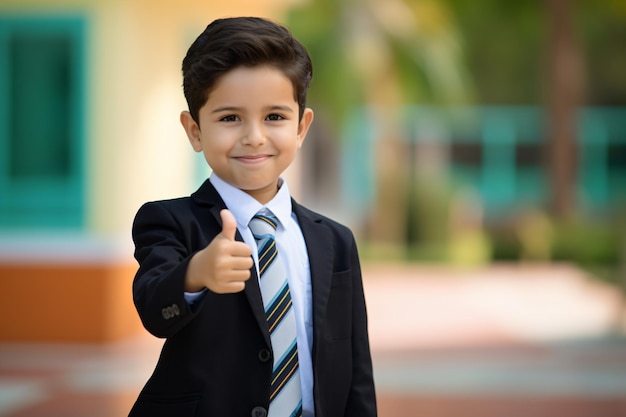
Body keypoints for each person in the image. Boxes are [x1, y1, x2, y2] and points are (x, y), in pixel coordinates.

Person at [129, 16, 377, 417]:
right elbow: (154, 310)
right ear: (194, 130)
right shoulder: (169, 221)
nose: (254, 136)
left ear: (301, 126)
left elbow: (355, 366)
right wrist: (196, 273)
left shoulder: (335, 241)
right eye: (230, 118)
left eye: (274, 117)